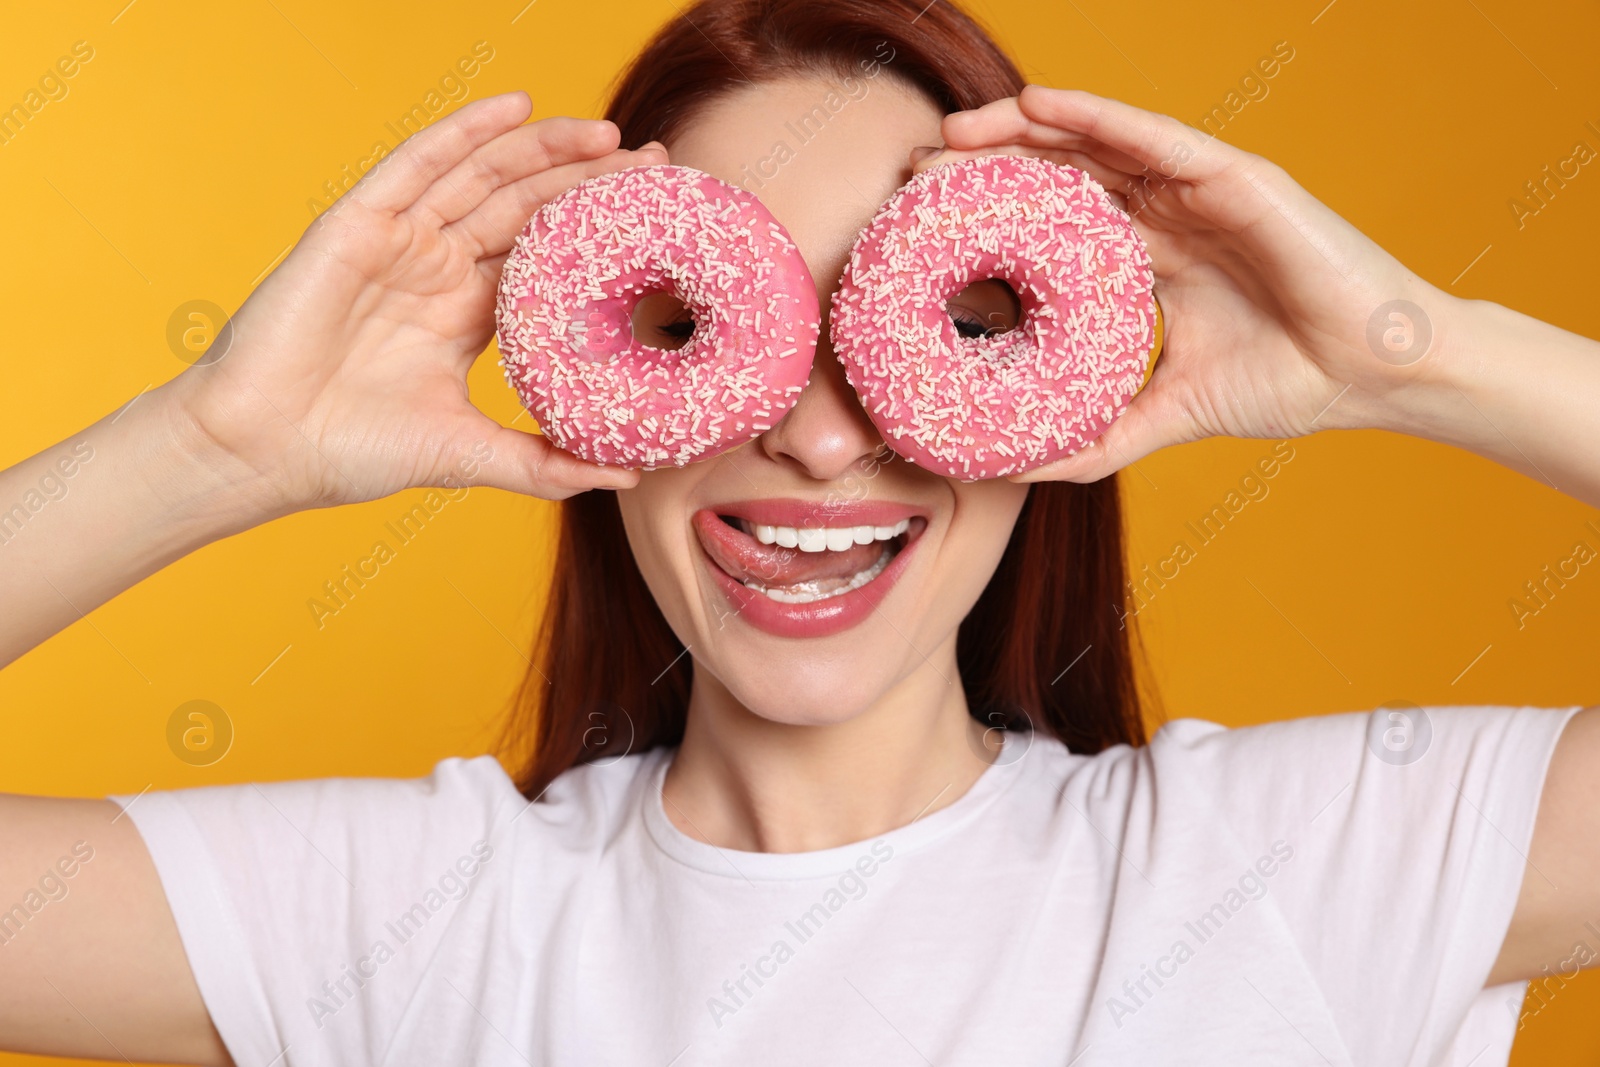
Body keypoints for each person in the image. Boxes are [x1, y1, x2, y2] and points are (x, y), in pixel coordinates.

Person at [1, 0, 1596, 1063]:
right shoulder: (403, 921)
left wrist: (1405, 349)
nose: (824, 435)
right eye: (710, 320)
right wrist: (215, 446)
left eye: (942, 322)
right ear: (590, 358)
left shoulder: (1317, 871)